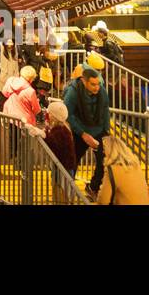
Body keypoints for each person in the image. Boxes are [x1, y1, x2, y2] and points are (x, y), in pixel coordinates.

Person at [64, 64, 111, 202]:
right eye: (93, 84)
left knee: (104, 160)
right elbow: (68, 113)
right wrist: (82, 133)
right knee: (74, 160)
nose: (97, 87)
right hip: (80, 131)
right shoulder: (73, 92)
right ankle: (68, 189)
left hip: (98, 129)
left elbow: (106, 109)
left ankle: (93, 187)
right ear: (84, 81)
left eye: (98, 84)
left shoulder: (101, 91)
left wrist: (106, 131)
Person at [1, 65, 42, 132]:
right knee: (23, 141)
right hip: (24, 122)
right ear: (31, 78)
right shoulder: (30, 91)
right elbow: (36, 110)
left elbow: (4, 93)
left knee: (12, 139)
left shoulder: (11, 81)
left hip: (10, 116)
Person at [43, 100, 76, 176]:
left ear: (54, 116)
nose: (48, 115)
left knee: (61, 186)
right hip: (62, 164)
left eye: (50, 113)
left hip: (63, 166)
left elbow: (53, 143)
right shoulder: (62, 128)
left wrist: (44, 135)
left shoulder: (60, 130)